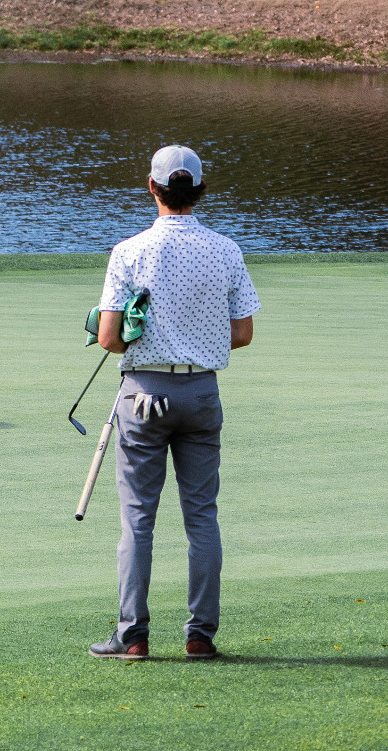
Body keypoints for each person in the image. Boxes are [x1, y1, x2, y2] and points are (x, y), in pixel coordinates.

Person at [88, 145, 261, 660]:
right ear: (199, 190)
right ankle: (200, 636)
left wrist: (135, 335)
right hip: (202, 393)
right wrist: (198, 339)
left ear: (152, 187)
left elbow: (108, 338)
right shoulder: (226, 249)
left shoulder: (130, 251)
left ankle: (132, 636)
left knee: (139, 519)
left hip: (142, 394)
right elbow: (243, 333)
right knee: (202, 516)